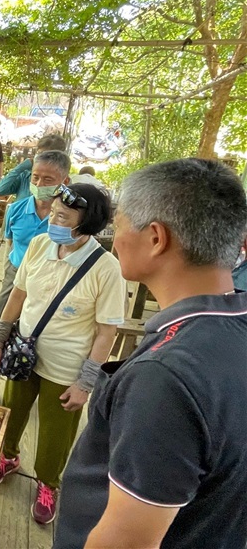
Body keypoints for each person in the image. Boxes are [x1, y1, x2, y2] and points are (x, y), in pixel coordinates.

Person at [55, 159, 247, 549]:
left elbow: (126, 542)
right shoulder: (232, 324)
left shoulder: (166, 377)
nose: (116, 237)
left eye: (120, 224)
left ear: (156, 238)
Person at [0, 183, 126, 525]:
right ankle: (7, 457)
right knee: (12, 411)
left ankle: (48, 482)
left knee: (56, 432)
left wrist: (86, 381)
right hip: (23, 352)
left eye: (63, 217)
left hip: (66, 366)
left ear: (86, 225)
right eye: (53, 212)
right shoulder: (39, 244)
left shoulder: (106, 268)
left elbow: (107, 330)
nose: (53, 220)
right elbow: (17, 295)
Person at [0, 150, 72, 400]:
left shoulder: (69, 218)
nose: (39, 184)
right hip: (15, 276)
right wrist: (12, 271)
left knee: (38, 331)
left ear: (64, 182)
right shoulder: (17, 209)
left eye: (47, 180)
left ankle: (31, 389)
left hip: (52, 282)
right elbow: (10, 242)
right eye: (35, 178)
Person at [0, 134, 67, 202]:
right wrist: (20, 168)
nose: (38, 184)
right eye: (39, 153)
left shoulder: (61, 181)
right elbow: (0, 190)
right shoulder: (25, 175)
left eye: (46, 155)